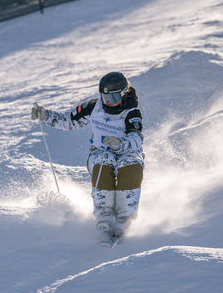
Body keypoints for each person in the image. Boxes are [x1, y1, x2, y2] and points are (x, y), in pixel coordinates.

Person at [31, 72, 144, 237]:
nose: (109, 103)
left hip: (126, 151)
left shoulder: (131, 113)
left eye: (113, 98)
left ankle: (124, 214)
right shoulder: (93, 107)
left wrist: (120, 144)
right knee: (104, 162)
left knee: (130, 165)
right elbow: (69, 121)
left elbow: (136, 138)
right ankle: (104, 213)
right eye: (105, 98)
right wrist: (45, 115)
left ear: (124, 93)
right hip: (101, 151)